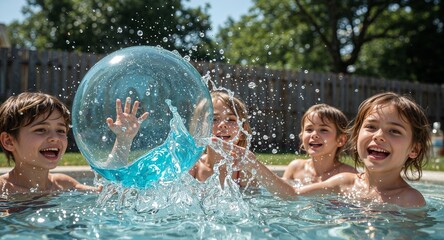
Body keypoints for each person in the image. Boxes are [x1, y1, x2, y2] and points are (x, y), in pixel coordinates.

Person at [228, 92, 431, 208]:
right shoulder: (344, 182)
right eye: (370, 126)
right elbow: (292, 195)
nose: (378, 135)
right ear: (357, 134)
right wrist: (252, 162)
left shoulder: (409, 199)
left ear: (413, 149)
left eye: (394, 131)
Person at [0, 92, 100, 194]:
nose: (55, 138)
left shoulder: (63, 184)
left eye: (60, 130)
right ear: (9, 141)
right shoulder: (2, 189)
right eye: (41, 130)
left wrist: (117, 137)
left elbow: (105, 193)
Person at [188, 90, 257, 188]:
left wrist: (256, 165)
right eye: (214, 119)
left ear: (242, 131)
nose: (222, 125)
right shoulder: (194, 167)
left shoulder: (244, 172)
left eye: (231, 120)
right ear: (201, 129)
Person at [282, 104, 357, 185]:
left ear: (340, 140)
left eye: (323, 130)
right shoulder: (296, 168)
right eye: (309, 129)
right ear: (302, 136)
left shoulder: (349, 174)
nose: (314, 134)